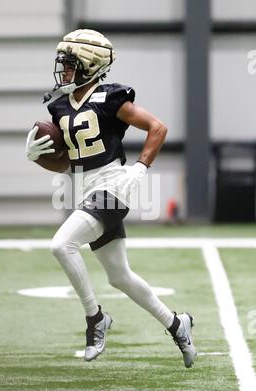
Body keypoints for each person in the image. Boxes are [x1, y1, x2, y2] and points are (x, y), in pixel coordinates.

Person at [26, 29, 197, 367]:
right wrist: (37, 156)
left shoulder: (111, 97)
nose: (65, 71)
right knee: (119, 276)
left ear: (91, 66)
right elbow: (67, 162)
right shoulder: (60, 105)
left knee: (62, 245)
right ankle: (178, 324)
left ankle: (95, 319)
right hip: (87, 188)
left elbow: (157, 128)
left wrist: (141, 169)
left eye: (71, 64)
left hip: (114, 186)